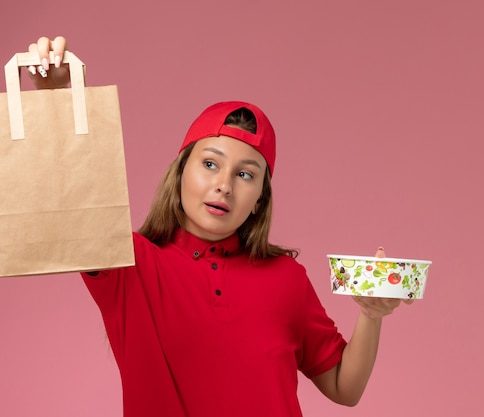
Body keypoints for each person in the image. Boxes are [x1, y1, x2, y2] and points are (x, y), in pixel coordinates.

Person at [26, 36, 412, 417]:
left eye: (246, 174)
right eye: (210, 164)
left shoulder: (287, 279)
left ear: (260, 196)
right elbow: (73, 204)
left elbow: (345, 387)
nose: (224, 184)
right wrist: (57, 101)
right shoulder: (129, 265)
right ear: (180, 173)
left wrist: (371, 314)